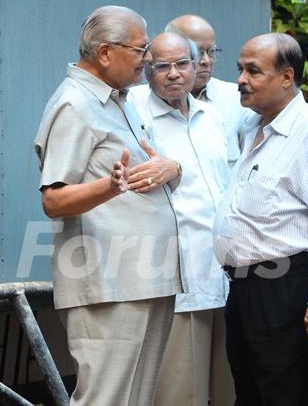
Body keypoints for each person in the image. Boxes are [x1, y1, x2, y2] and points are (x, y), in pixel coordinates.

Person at [33, 6, 183, 406]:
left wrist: (171, 169)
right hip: (108, 282)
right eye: (141, 49)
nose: (148, 57)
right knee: (106, 399)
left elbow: (144, 171)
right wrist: (108, 187)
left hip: (146, 276)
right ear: (104, 52)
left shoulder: (121, 100)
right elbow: (54, 199)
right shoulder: (74, 104)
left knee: (137, 398)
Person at [213, 33, 308, 405]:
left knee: (294, 396)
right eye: (240, 69)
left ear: (286, 76)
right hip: (245, 291)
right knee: (252, 395)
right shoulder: (252, 128)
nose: (241, 80)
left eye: (253, 71)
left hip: (290, 294)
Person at [128, 31, 234, 406]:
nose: (174, 73)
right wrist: (172, 169)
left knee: (228, 390)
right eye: (162, 66)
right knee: (180, 393)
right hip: (179, 281)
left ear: (196, 67)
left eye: (182, 63)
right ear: (147, 71)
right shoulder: (135, 114)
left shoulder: (213, 116)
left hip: (226, 276)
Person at [167, 14, 249, 167]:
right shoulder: (141, 101)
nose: (205, 61)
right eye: (197, 52)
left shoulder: (235, 98)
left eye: (211, 52)